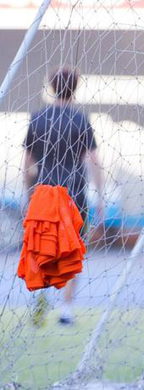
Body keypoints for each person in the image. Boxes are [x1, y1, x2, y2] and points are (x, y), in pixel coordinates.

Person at [23, 67, 104, 326]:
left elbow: (27, 164)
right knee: (72, 248)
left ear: (51, 86)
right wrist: (100, 197)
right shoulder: (80, 120)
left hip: (44, 190)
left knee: (43, 246)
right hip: (74, 191)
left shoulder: (38, 117)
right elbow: (93, 160)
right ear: (76, 87)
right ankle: (66, 310)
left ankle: (40, 298)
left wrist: (29, 194)